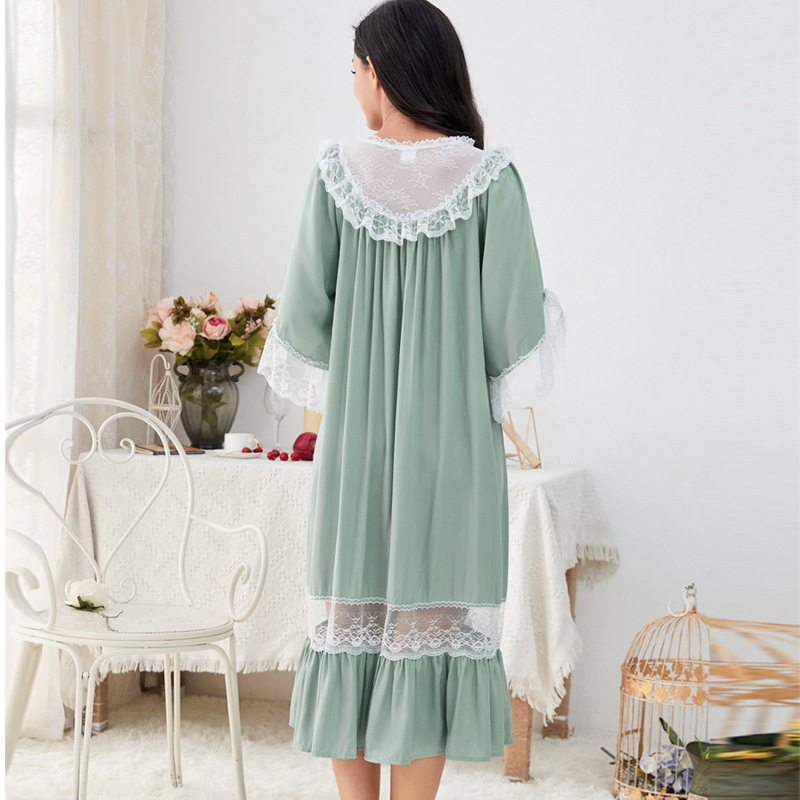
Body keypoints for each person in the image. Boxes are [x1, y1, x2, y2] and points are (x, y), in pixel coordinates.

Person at [257, 1, 565, 798]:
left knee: (349, 632)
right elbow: (515, 335)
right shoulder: (491, 181)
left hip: (357, 445)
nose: (354, 84)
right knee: (431, 632)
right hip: (452, 449)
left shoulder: (334, 176)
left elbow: (304, 325)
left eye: (355, 68)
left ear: (380, 73)